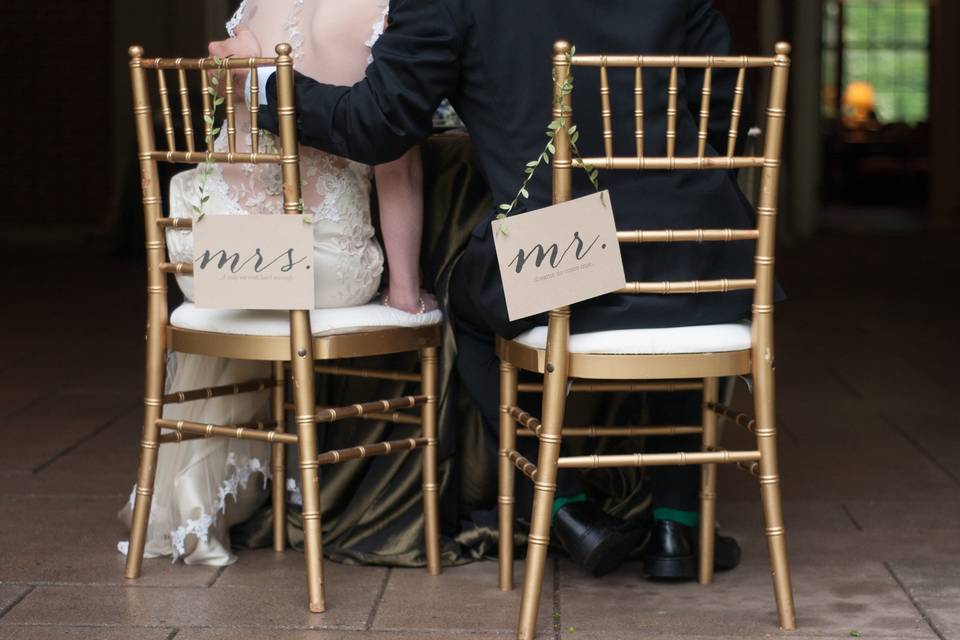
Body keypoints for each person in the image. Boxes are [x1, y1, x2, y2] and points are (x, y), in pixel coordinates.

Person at [232, 0, 754, 579]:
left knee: (470, 302)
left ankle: (563, 505)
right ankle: (675, 527)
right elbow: (727, 105)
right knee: (678, 301)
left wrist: (262, 84)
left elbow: (376, 125)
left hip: (575, 248)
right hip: (709, 242)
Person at [118, 0, 438, 566]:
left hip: (207, 260)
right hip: (304, 267)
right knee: (334, 270)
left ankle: (193, 505)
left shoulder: (254, 10)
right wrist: (407, 295)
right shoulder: (382, 17)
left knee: (251, 264)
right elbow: (398, 169)